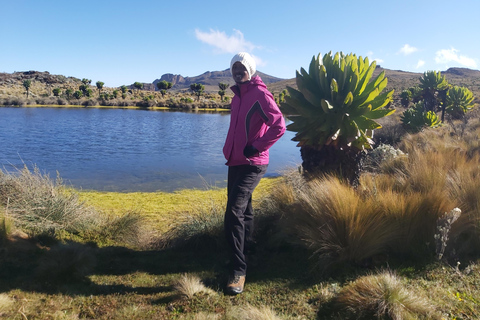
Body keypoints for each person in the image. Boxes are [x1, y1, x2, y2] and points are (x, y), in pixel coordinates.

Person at [222, 52, 286, 295]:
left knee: (233, 213)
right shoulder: (237, 96)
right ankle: (248, 252)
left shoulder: (259, 93)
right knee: (245, 211)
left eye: (242, 68)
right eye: (234, 68)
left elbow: (279, 125)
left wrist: (256, 146)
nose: (238, 71)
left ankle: (238, 270)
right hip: (235, 161)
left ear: (251, 69)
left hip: (253, 162)